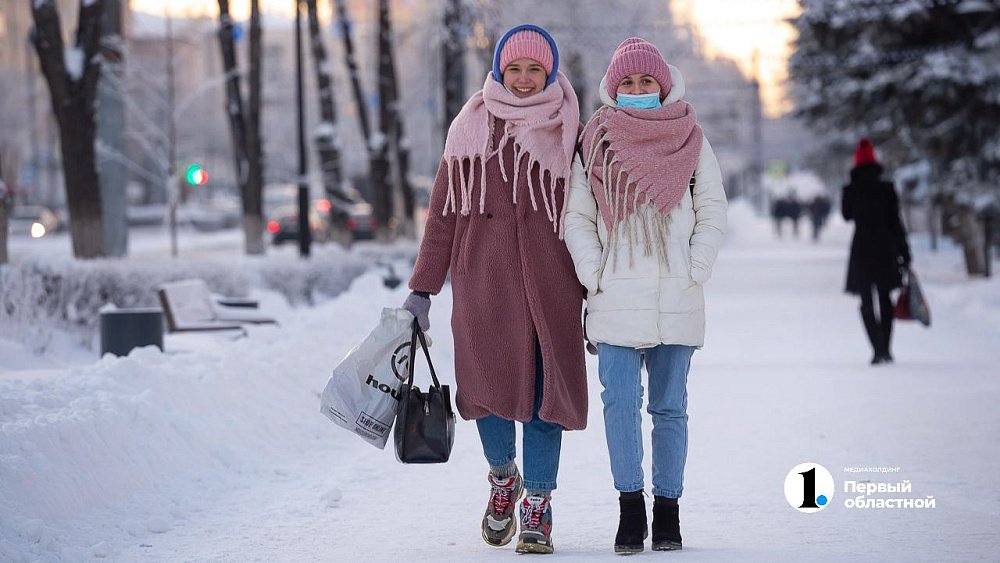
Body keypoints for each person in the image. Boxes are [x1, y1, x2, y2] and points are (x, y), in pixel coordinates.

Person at [402, 24, 586, 555]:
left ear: (549, 72)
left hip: (553, 288)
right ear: (499, 72)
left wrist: (600, 295)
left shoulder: (572, 129)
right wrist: (423, 290)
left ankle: (539, 506)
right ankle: (504, 480)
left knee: (545, 400)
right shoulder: (470, 127)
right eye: (515, 70)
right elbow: (442, 217)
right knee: (488, 393)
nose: (525, 80)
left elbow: (595, 219)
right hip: (483, 285)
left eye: (535, 69)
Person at [563, 38, 727, 554]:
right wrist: (595, 274)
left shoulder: (692, 139)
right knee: (619, 406)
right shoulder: (595, 141)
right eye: (627, 83)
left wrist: (694, 267)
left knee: (670, 408)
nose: (636, 90)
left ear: (663, 83)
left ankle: (669, 511)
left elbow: (713, 210)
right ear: (614, 88)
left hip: (677, 297)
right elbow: (578, 217)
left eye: (645, 81)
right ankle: (630, 508)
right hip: (614, 297)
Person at [841, 138, 911, 365]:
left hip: (861, 249)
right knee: (884, 297)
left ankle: (876, 349)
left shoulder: (851, 190)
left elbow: (847, 215)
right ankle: (886, 348)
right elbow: (895, 223)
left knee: (866, 300)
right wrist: (905, 252)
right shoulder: (887, 189)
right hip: (885, 248)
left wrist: (852, 188)